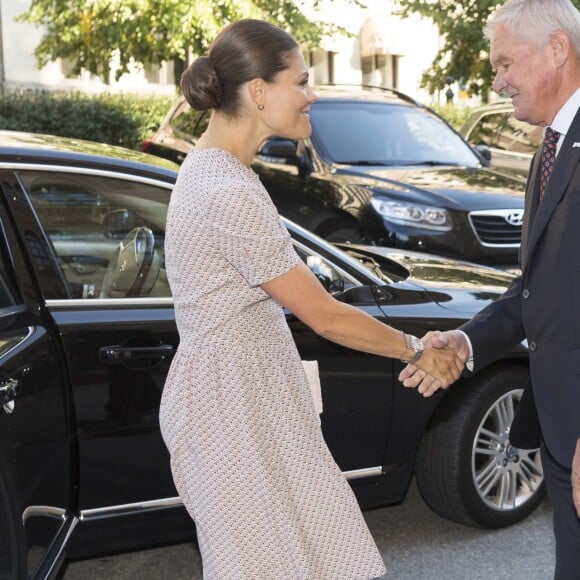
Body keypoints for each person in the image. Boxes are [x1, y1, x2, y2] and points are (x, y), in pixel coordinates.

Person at [158, 18, 463, 580]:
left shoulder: (221, 173)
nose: (311, 95)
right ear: (258, 92)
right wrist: (416, 348)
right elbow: (322, 313)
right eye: (300, 81)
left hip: (247, 403)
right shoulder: (225, 188)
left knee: (313, 558)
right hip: (234, 413)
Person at [401, 0, 580, 577]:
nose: (497, 80)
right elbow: (536, 287)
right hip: (559, 422)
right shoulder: (548, 152)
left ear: (558, 49)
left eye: (506, 63)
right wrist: (467, 341)